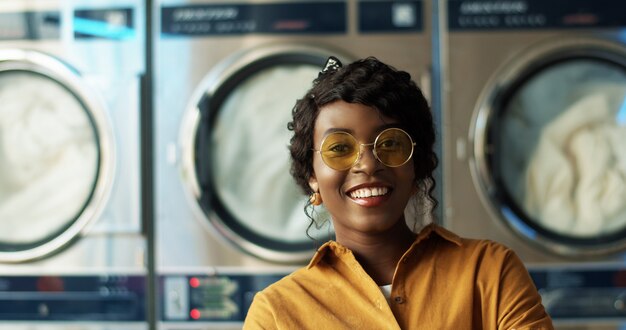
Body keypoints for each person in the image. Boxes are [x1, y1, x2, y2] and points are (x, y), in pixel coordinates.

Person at [243, 56, 553, 329]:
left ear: (416, 165)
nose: (368, 164)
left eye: (390, 143)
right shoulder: (276, 314)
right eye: (339, 148)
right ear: (312, 176)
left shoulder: (490, 271)